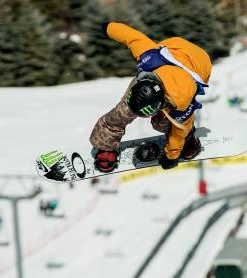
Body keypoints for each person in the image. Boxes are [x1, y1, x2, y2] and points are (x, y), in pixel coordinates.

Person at [89, 23, 212, 173]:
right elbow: (132, 37)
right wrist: (109, 27)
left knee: (163, 123)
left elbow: (180, 128)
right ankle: (105, 144)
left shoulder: (181, 102)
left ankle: (188, 139)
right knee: (123, 112)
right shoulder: (149, 57)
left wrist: (172, 155)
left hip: (200, 64)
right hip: (172, 50)